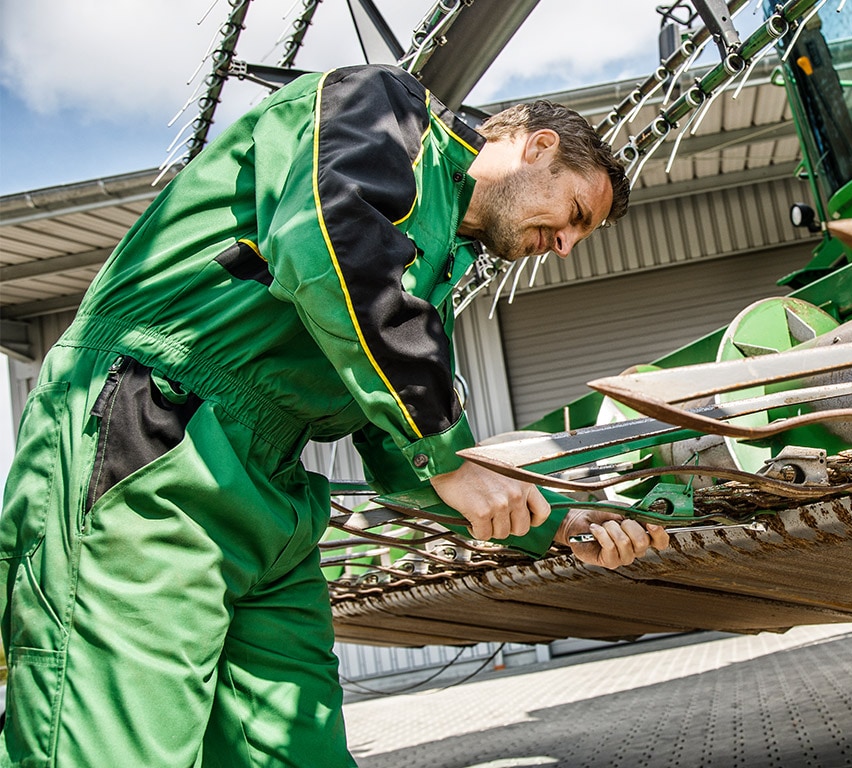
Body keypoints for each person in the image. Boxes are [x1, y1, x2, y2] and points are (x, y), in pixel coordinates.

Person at [0, 63, 668, 767]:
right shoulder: (384, 108)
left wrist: (558, 525)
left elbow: (398, 451)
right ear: (535, 148)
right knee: (109, 745)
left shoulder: (434, 261)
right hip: (156, 439)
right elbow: (326, 234)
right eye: (573, 216)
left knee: (297, 748)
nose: (563, 245)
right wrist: (443, 450)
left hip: (273, 495)